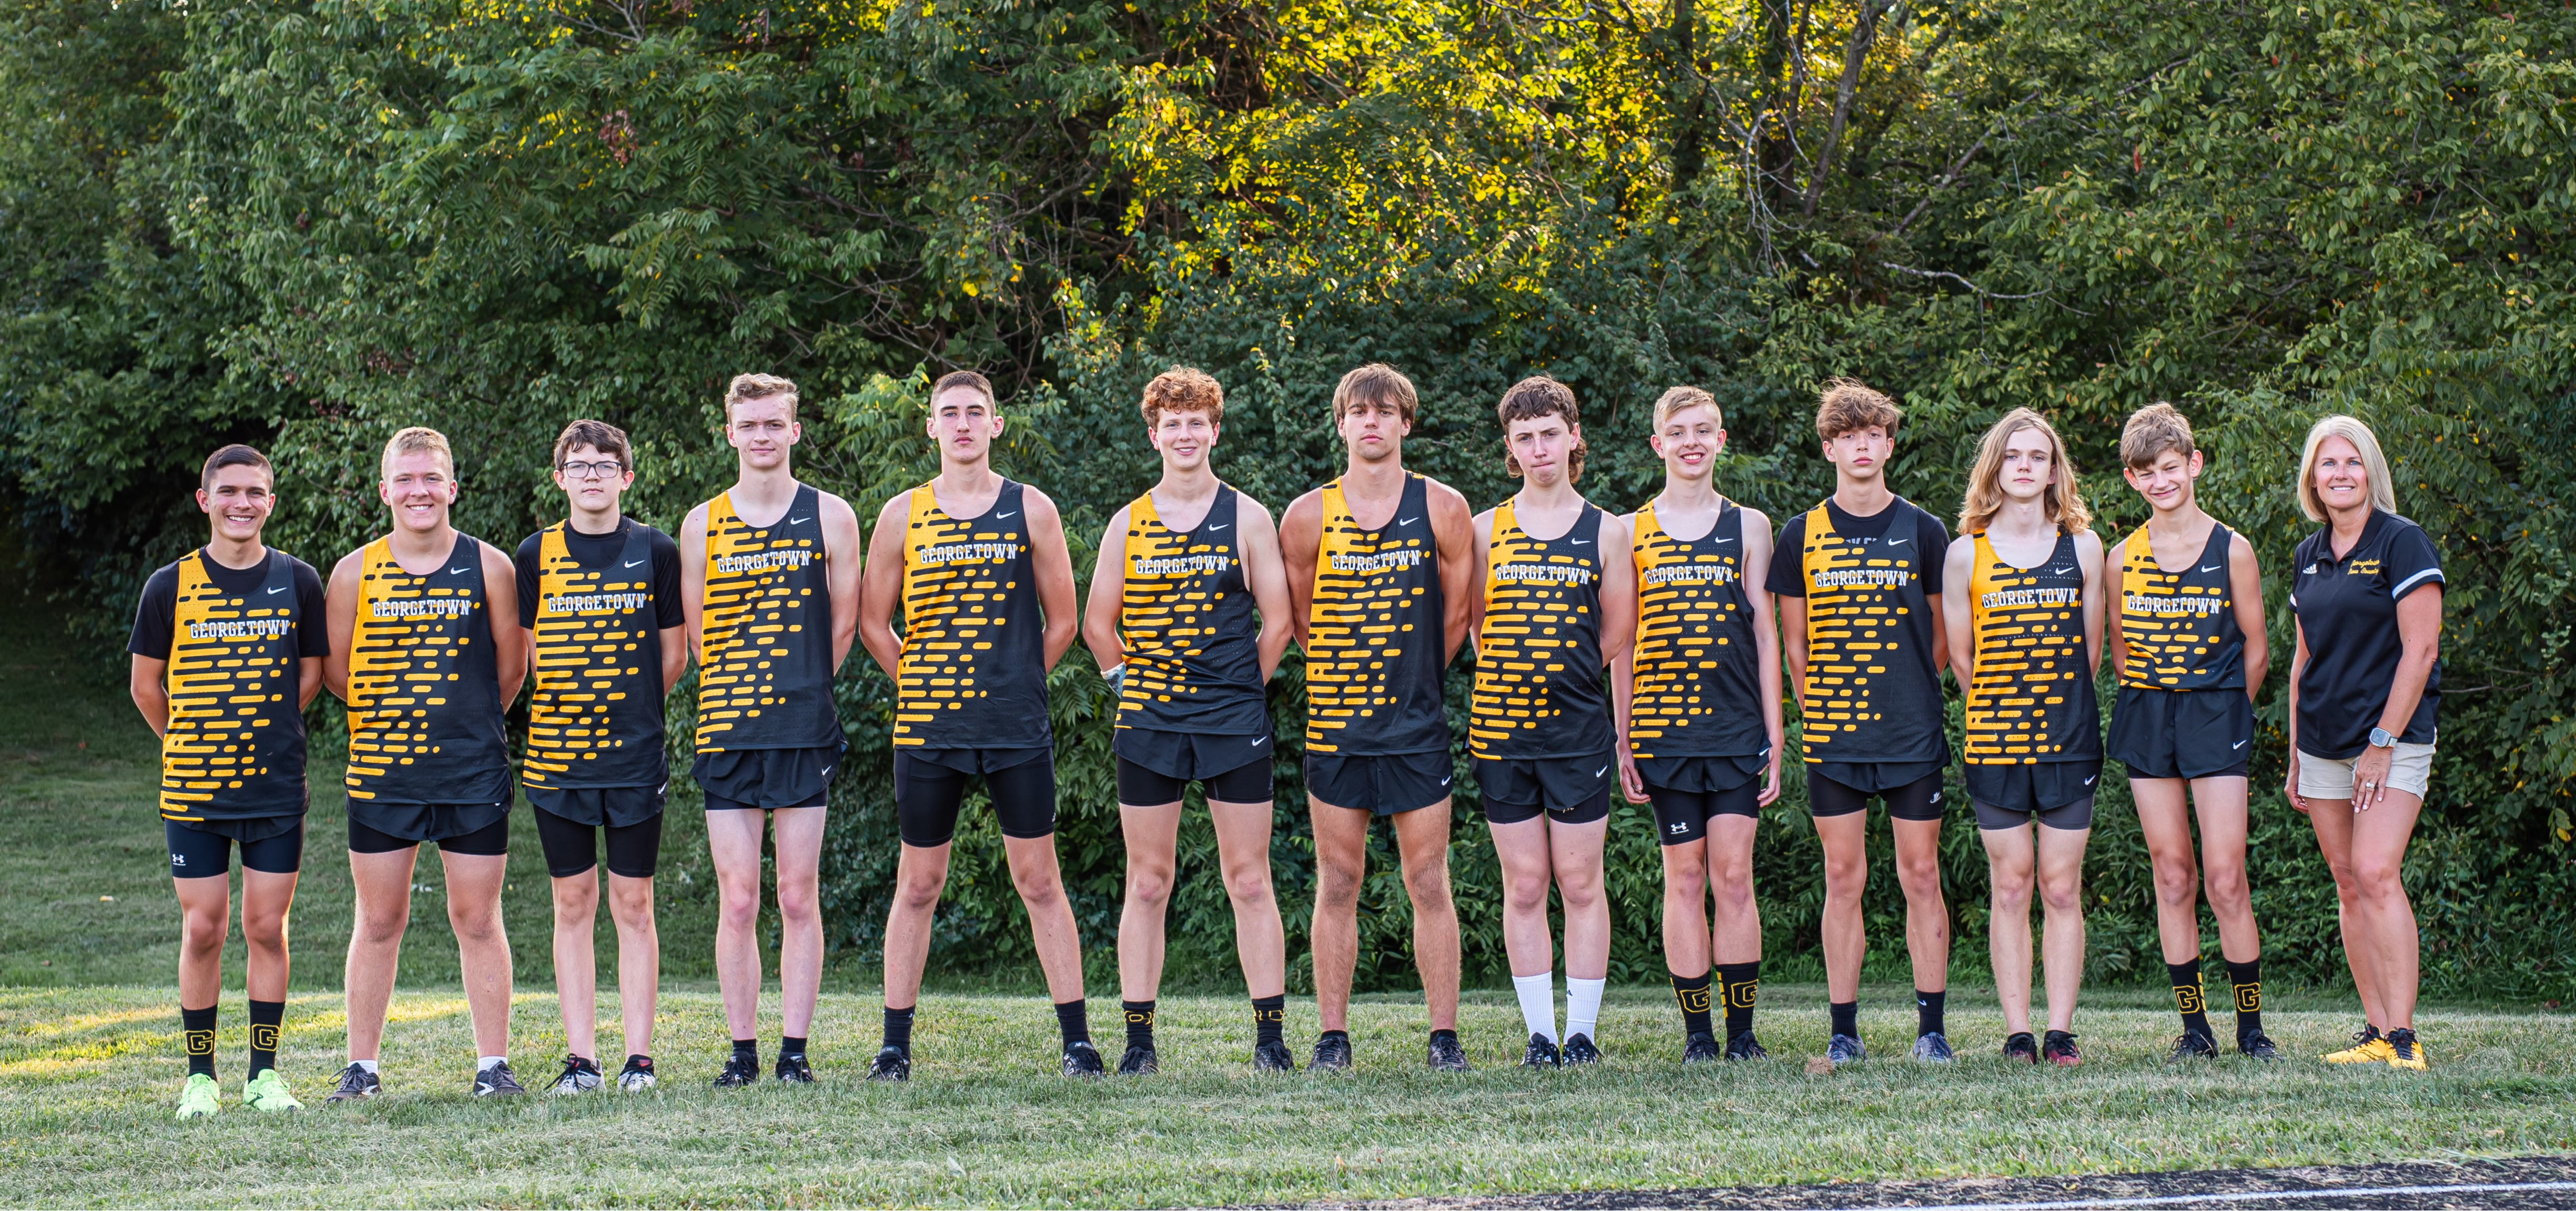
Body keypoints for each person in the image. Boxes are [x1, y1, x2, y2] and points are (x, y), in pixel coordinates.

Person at [860, 370, 1092, 1080]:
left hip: (1013, 723)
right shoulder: (902, 513)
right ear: (929, 427)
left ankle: (1078, 1042)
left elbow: (1065, 621)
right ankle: (893, 1047)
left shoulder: (1031, 508)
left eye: (975, 412)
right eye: (948, 413)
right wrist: (924, 684)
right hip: (928, 728)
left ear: (996, 425)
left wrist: (1016, 677)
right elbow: (873, 623)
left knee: (1039, 878)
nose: (962, 423)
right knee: (919, 882)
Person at [1080, 369, 1296, 1075]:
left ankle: (1270, 1040)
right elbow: (1096, 622)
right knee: (1147, 880)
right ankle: (1138, 1043)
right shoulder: (1129, 520)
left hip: (1233, 720)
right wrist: (1128, 684)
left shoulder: (1246, 516)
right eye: (1171, 423)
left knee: (1249, 878)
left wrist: (1240, 686)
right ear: (1154, 435)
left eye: (1195, 421)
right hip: (1151, 721)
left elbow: (1281, 618)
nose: (1183, 433)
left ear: (1214, 429)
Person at [1280, 363, 1478, 1072]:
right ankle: (1332, 1036)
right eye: (1357, 411)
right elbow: (1300, 620)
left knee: (1428, 879)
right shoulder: (1307, 515)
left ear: (1404, 422)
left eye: (1383, 410)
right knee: (1337, 879)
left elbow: (1459, 615)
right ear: (1340, 424)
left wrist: (1412, 679)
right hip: (1337, 728)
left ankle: (1444, 1037)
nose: (1370, 421)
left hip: (1415, 724)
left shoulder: (1443, 507)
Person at [322, 427, 527, 1100]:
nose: (419, 491)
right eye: (405, 480)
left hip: (472, 771)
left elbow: (509, 668)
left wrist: (460, 717)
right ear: (385, 490)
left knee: (477, 917)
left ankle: (493, 1066)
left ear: (452, 488)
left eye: (431, 478)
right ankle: (363, 1068)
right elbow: (336, 671)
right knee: (379, 920)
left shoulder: (491, 566)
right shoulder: (354, 571)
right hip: (384, 774)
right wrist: (395, 714)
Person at [128, 445, 329, 1118]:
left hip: (274, 787)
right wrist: (188, 740)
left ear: (271, 502)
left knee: (267, 927)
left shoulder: (299, 580)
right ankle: (200, 1078)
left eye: (255, 492)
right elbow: (145, 686)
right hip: (193, 789)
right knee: (205, 928)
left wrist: (262, 730)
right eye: (229, 491)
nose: (242, 503)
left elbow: (307, 679)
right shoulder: (169, 585)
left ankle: (264, 1075)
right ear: (204, 499)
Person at [680, 373, 864, 1087]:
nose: (761, 435)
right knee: (738, 897)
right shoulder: (701, 522)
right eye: (748, 424)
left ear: (794, 431)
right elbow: (698, 634)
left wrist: (802, 684)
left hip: (802, 727)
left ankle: (794, 1051)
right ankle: (742, 1051)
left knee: (795, 893)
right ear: (731, 433)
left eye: (773, 424)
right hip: (727, 728)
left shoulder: (832, 515)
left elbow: (844, 621)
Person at [1767, 379, 1956, 1066]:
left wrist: (1908, 685)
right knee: (1841, 876)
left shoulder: (1923, 528)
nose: (1861, 445)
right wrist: (1815, 706)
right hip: (1834, 736)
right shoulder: (1800, 534)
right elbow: (1794, 643)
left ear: (1889, 443)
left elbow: (1940, 633)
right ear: (1829, 448)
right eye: (1848, 436)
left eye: (1872, 434)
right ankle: (1842, 1029)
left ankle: (1929, 1029)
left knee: (1920, 875)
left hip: (1910, 731)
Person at [514, 420, 688, 1093]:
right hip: (557, 757)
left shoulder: (656, 549)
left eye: (605, 464)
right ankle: (581, 1059)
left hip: (634, 754)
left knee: (634, 902)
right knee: (572, 901)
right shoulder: (535, 553)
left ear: (627, 476)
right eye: (579, 465)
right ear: (560, 478)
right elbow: (525, 652)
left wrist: (629, 704)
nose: (592, 475)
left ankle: (638, 1060)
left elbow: (672, 655)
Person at [1612, 387, 1782, 1064]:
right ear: (1658, 444)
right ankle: (1697, 1037)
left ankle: (1741, 1034)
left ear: (1719, 440)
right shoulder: (1628, 530)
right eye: (1677, 431)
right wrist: (1622, 736)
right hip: (1661, 732)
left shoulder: (1748, 526)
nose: (1690, 441)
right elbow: (1620, 644)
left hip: (1735, 728)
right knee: (1682, 878)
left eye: (1702, 430)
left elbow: (1765, 636)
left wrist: (1775, 734)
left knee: (1733, 876)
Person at [1468, 377, 1635, 1068]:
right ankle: (1539, 1033)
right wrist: (1516, 672)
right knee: (1525, 882)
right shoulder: (1483, 529)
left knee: (1580, 879)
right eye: (1524, 436)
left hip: (1577, 732)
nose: (1538, 447)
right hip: (1502, 733)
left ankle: (1582, 1033)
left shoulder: (1608, 529)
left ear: (1573, 436)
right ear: (1508, 446)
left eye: (1549, 432)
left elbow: (1619, 626)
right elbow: (1474, 626)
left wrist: (1562, 671)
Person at [2103, 404, 2277, 1062]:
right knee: (2171, 874)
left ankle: (2250, 1028)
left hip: (2216, 713)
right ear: (2131, 478)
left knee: (2224, 876)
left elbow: (2256, 650)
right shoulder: (2121, 559)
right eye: (2146, 472)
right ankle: (2194, 1029)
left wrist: (2223, 711)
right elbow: (2118, 651)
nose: (2159, 481)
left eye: (2169, 468)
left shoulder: (2231, 548)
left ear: (2193, 463)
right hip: (2148, 713)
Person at [1941, 409, 2104, 1068]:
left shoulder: (2083, 548)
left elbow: (2089, 654)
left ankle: (2059, 1031)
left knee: (2061, 887)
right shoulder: (1964, 554)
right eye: (2013, 456)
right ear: (1995, 468)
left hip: (2068, 739)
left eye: (2038, 456)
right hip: (1994, 742)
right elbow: (1960, 658)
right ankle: (2016, 1031)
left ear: (2053, 469)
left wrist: (2053, 706)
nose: (2025, 466)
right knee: (2010, 885)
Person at [2286, 415, 2443, 1072]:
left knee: (2377, 872)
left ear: (2369, 470)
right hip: (2321, 742)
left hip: (2392, 738)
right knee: (2348, 882)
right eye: (2327, 464)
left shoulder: (2402, 542)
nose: (2340, 473)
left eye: (2351, 462)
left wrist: (2382, 740)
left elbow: (2421, 648)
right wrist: (2294, 751)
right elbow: (2302, 660)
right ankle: (2375, 1029)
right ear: (2312, 478)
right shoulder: (2306, 552)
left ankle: (2404, 1036)